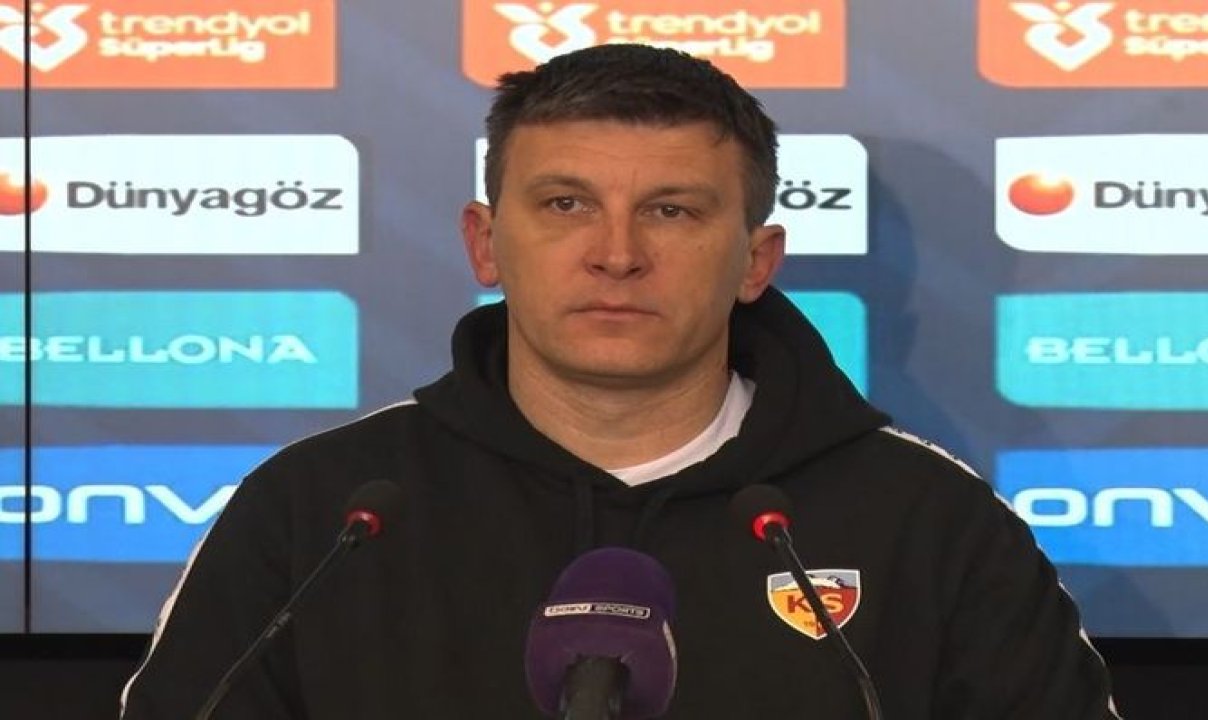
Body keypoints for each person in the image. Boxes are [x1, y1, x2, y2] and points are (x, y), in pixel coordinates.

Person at [119, 44, 1120, 718]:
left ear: (755, 260)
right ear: (485, 243)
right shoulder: (319, 515)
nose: (616, 254)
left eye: (672, 211)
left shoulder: (928, 519)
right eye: (565, 204)